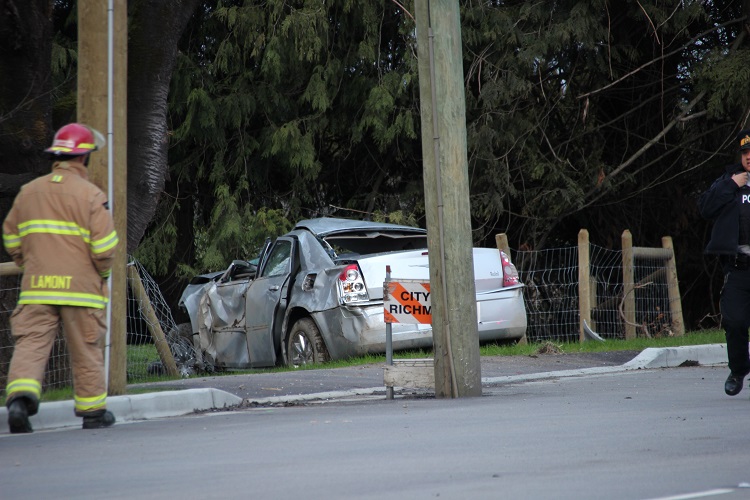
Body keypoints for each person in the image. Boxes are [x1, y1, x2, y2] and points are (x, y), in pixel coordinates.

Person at [3, 123, 119, 432]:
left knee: (31, 344)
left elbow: (12, 238)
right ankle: (93, 412)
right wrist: (103, 275)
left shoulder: (29, 192)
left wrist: (29, 263)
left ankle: (19, 402)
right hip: (81, 291)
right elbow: (105, 249)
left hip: (37, 288)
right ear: (84, 158)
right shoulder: (92, 196)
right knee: (86, 348)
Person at [699, 129, 750, 396]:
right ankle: (739, 370)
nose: (749, 157)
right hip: (739, 267)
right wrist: (731, 184)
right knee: (735, 322)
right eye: (745, 152)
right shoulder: (728, 182)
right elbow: (705, 208)